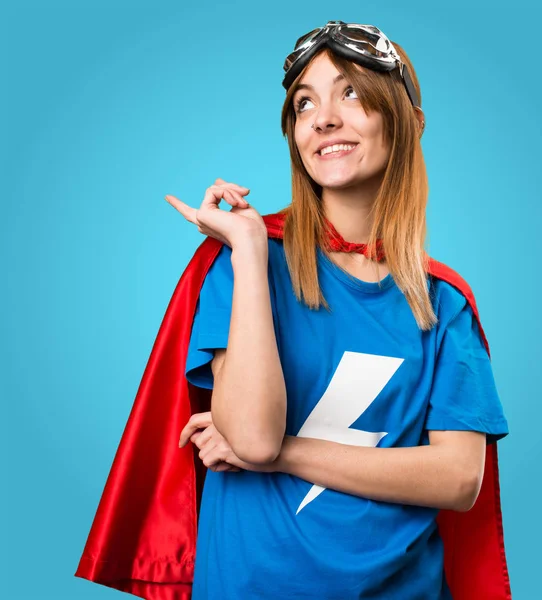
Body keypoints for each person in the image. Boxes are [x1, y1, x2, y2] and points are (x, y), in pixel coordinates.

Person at [74, 21, 511, 600]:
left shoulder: (443, 302)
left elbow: (458, 479)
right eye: (305, 103)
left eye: (351, 92)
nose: (324, 117)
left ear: (410, 121)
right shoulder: (240, 265)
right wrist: (252, 250)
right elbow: (250, 437)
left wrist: (286, 454)